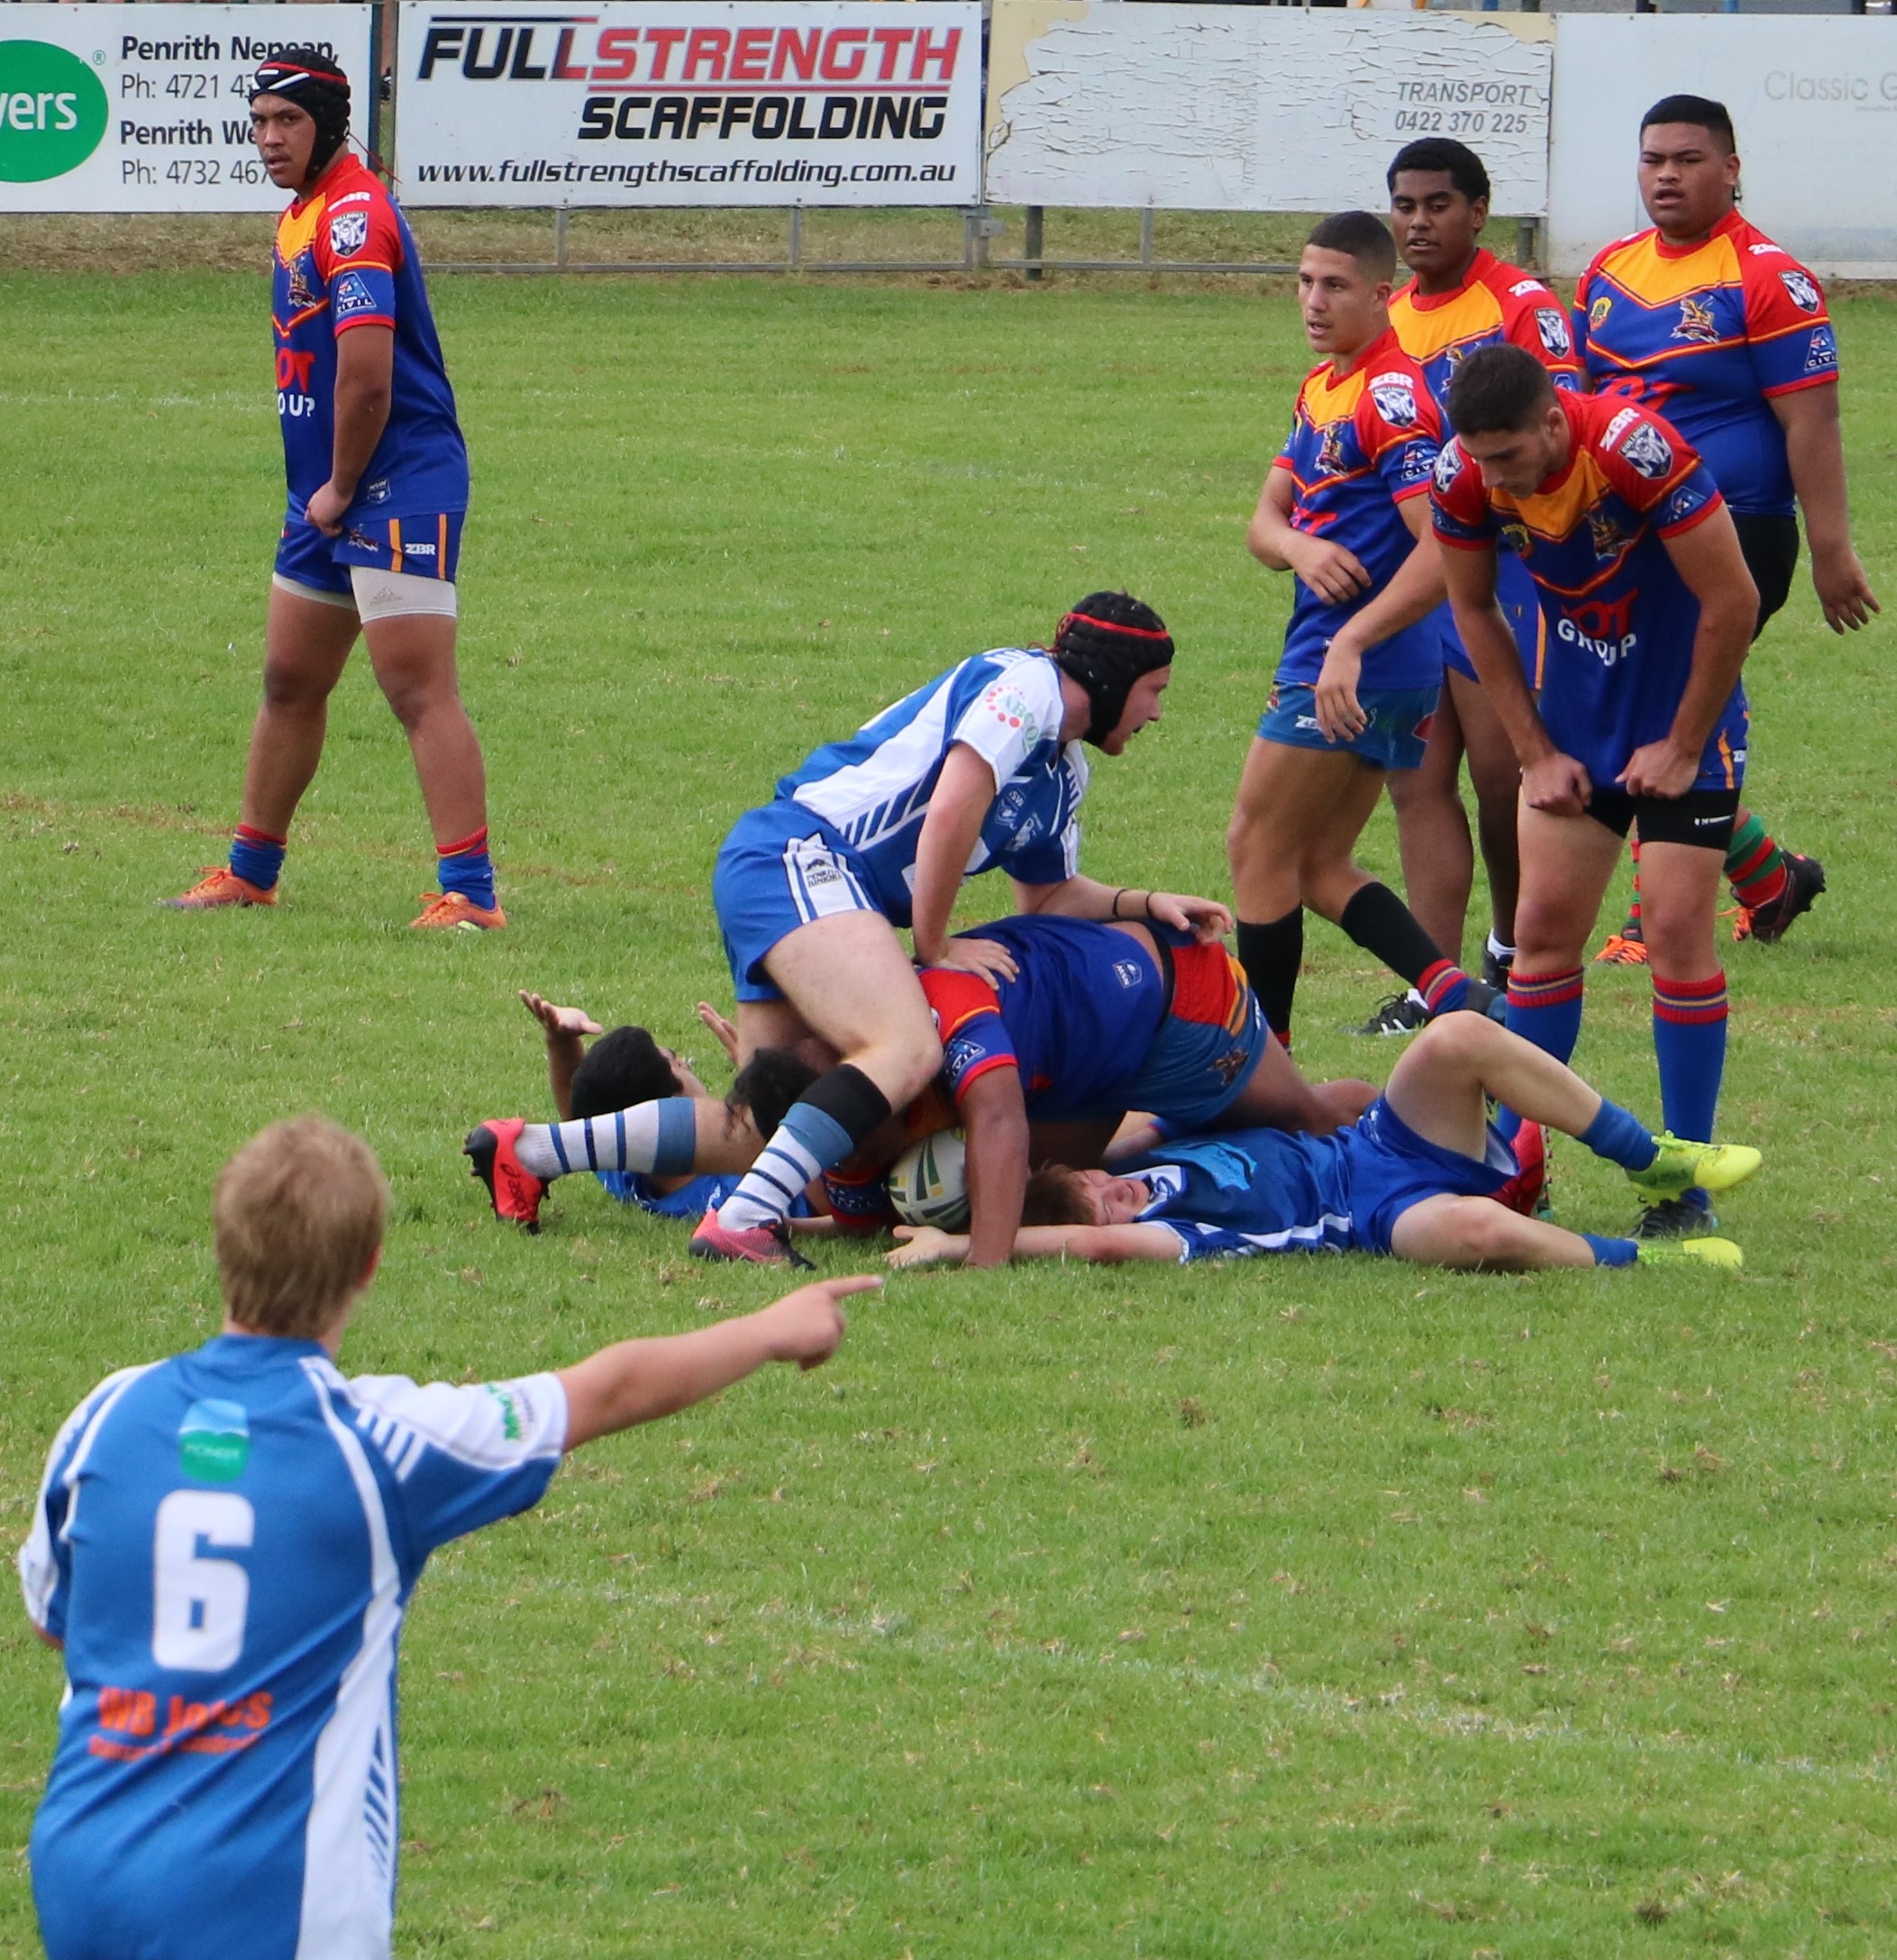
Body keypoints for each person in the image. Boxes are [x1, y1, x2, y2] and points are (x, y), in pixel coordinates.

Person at [19, 1116, 867, 1960]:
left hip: (85, 1868)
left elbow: (56, 1619)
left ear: (223, 1246)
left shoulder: (105, 1413)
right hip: (270, 1894)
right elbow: (603, 1391)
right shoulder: (378, 1443)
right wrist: (766, 1330)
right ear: (368, 1266)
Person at [690, 594, 1231, 1267]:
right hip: (800, 852)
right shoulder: (1028, 688)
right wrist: (935, 945)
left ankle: (534, 1149)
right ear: (1111, 679)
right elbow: (952, 808)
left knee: (779, 1117)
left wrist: (1144, 902)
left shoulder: (1063, 770)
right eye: (1153, 691)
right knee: (905, 1048)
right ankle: (739, 1221)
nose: (1156, 711)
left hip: (811, 873)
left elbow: (1049, 895)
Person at [469, 914, 1369, 1262]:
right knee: (1143, 1149)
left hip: (1175, 1008)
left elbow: (1001, 1125)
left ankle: (1424, 1127)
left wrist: (980, 1263)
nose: (842, 1147)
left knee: (1314, 1117)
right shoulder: (850, 1126)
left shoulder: (929, 1018)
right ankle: (539, 1150)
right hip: (1087, 1063)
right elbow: (863, 1215)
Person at [165, 50, 500, 929]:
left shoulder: (353, 216)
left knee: (415, 688)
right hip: (327, 491)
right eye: (260, 121)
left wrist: (342, 484)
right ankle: (251, 871)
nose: (268, 138)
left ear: (327, 126)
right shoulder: (302, 213)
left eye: (287, 121)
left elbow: (365, 380)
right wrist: (324, 489)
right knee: (287, 678)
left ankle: (471, 896)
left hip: (394, 484)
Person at [1432, 344, 1759, 1236]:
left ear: (1550, 420)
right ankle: (1511, 1166)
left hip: (1680, 724)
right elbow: (1470, 609)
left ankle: (1681, 1185)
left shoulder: (1634, 450)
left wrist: (1684, 743)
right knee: (1538, 938)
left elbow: (1732, 599)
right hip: (1575, 721)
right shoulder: (1460, 473)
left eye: (1506, 457)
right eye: (1478, 459)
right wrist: (1534, 749)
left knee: (1674, 932)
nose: (1492, 478)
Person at [1574, 94, 1877, 962]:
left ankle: (1655, 913)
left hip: (1733, 528)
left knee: (1664, 700)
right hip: (1623, 531)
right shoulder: (1607, 273)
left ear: (1731, 169)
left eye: (1687, 159)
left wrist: (1829, 552)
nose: (1665, 175)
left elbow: (1811, 425)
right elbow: (1584, 408)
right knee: (1650, 700)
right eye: (1652, 161)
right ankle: (1768, 876)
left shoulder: (1768, 277)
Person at [886, 1013, 1757, 1275]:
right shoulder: (1173, 1231)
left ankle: (1654, 1156)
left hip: (1377, 1140)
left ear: (1084, 1170)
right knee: (1477, 1237)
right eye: (1109, 1206)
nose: (1118, 1198)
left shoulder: (1136, 1152)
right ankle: (1646, 1263)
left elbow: (1106, 1118)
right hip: (1373, 1213)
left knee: (1453, 1035)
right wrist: (953, 1243)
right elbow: (1093, 1238)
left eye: (1100, 1187)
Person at [1228, 211, 1497, 1052]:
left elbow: (1443, 546)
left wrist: (1349, 641)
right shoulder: (1322, 385)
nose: (1313, 300)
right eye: (1305, 281)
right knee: (1317, 866)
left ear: (1383, 295)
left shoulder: (1389, 396)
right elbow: (1262, 526)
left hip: (1349, 663)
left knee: (1255, 847)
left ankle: (1261, 1059)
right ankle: (1452, 991)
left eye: (1334, 285)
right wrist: (1301, 546)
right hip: (1382, 666)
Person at [1355, 139, 1586, 1035]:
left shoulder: (1521, 303)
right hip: (1410, 577)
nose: (1417, 222)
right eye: (1403, 206)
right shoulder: (1387, 317)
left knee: (1501, 776)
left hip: (1504, 575)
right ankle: (1434, 979)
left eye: (1437, 205)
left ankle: (1508, 948)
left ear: (1478, 210)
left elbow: (1559, 434)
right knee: (1416, 776)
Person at [517, 990, 820, 1223]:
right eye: (678, 1063)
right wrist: (765, 1085)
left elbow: (581, 1126)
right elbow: (816, 1156)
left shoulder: (629, 1172)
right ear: (670, 1112)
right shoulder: (731, 1192)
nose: (688, 1065)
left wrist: (561, 1042)